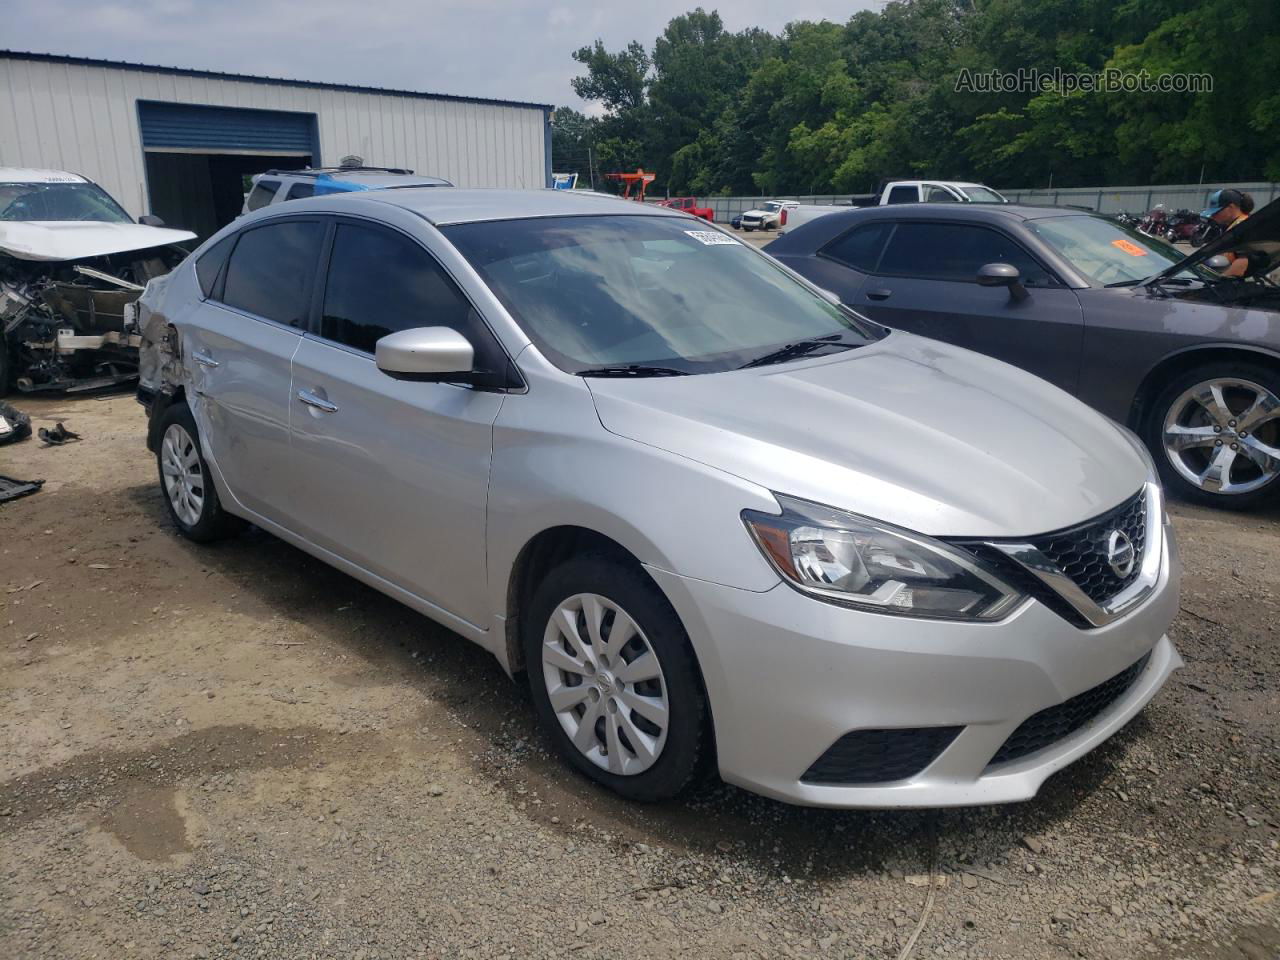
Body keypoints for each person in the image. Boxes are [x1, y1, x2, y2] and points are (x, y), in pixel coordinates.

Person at [1201, 188, 1251, 277]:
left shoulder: (1242, 227)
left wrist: (1217, 281)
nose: (1213, 215)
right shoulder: (1236, 224)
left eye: (1217, 211)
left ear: (1231, 207)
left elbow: (1243, 262)